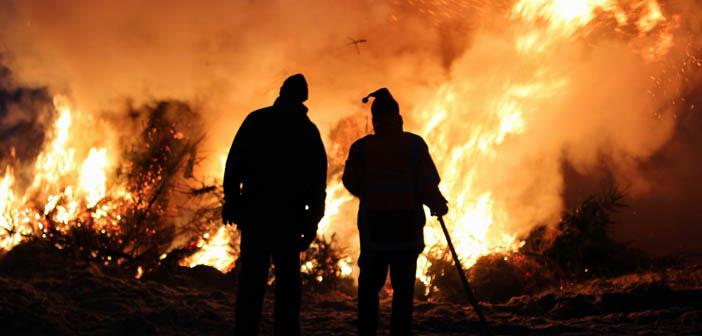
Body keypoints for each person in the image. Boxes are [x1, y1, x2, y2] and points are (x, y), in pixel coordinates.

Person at [222, 73, 327, 336]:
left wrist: (233, 201)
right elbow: (317, 184)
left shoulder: (257, 120)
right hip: (288, 217)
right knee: (288, 282)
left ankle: (245, 330)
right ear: (304, 98)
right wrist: (312, 222)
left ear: (281, 91)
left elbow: (234, 165)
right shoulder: (307, 131)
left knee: (252, 279)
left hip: (256, 212)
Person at [343, 88, 448, 336]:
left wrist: (370, 193)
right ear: (398, 118)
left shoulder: (361, 148)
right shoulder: (413, 144)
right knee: (403, 292)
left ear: (375, 121)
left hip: (374, 231)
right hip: (406, 232)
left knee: (369, 290)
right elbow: (427, 183)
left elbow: (350, 182)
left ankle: (367, 333)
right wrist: (437, 203)